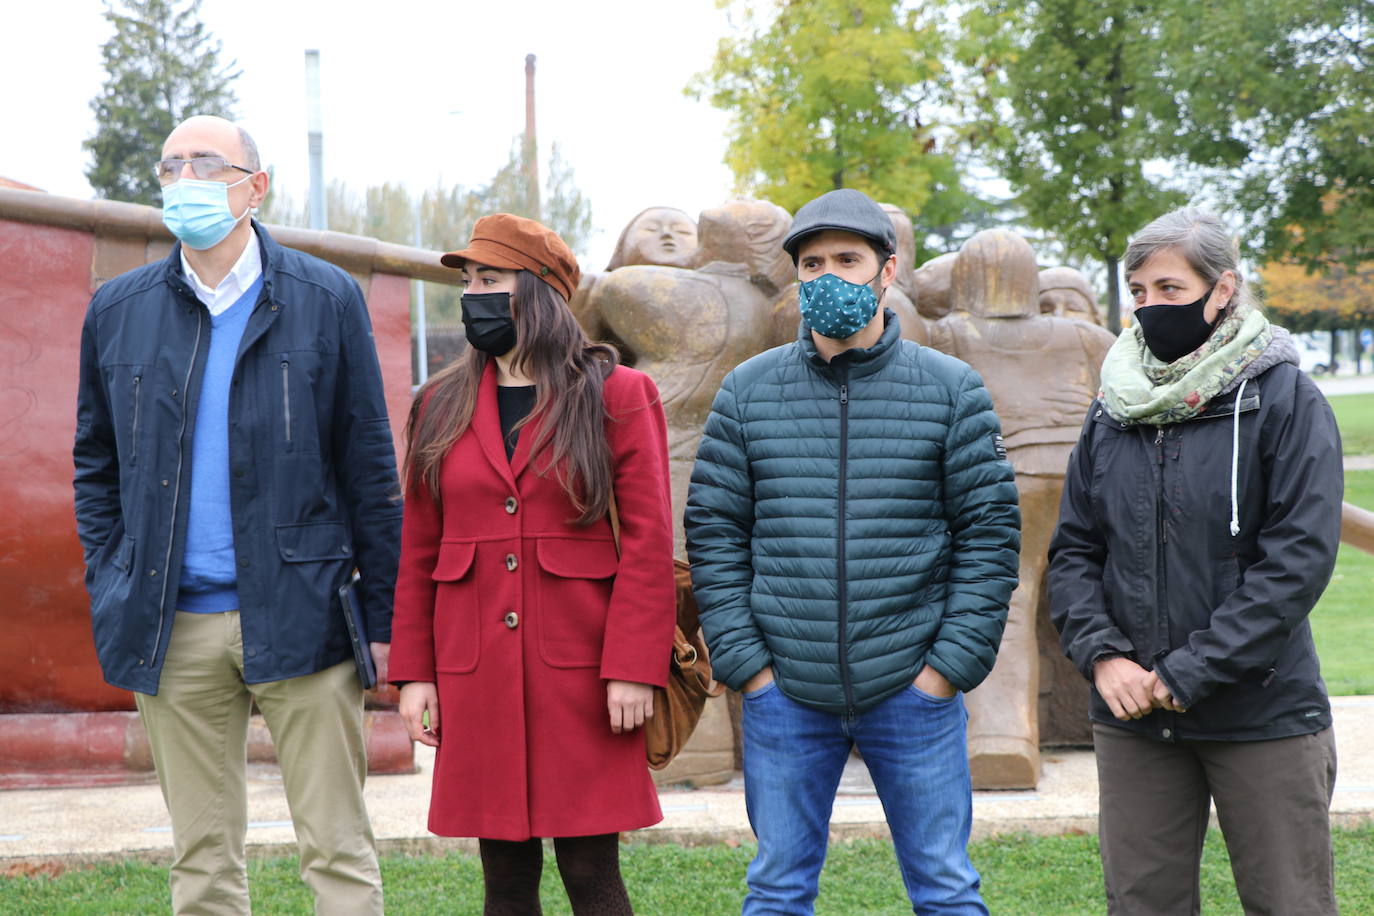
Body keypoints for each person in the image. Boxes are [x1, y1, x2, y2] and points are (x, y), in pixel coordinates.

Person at [72, 115, 400, 915]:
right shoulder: (117, 310)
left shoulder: (325, 299)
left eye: (206, 164)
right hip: (171, 621)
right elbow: (95, 463)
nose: (185, 180)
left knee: (338, 851)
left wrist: (385, 615)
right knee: (203, 864)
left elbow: (369, 466)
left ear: (256, 187)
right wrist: (115, 576)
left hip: (306, 612)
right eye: (170, 165)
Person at [685, 188, 1021, 915]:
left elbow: (989, 538)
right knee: (775, 891)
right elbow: (714, 532)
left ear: (887, 270)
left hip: (913, 690)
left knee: (946, 891)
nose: (829, 275)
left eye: (848, 259)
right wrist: (749, 669)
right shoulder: (747, 391)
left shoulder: (951, 389)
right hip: (785, 695)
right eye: (812, 263)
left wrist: (946, 670)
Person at [1048, 207, 1343, 915]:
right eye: (1138, 291)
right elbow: (1075, 552)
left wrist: (1191, 669)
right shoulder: (1110, 411)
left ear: (1223, 289)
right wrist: (1102, 656)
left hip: (1261, 711)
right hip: (1136, 718)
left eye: (1169, 289)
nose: (1150, 306)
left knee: (1289, 903)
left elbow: (1297, 559)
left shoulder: (1285, 400)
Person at [389, 213, 676, 915]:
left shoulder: (615, 395)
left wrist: (634, 667)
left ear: (542, 292)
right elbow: (419, 546)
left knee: (590, 870)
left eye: (491, 279)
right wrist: (414, 674)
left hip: (583, 671)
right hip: (476, 669)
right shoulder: (439, 404)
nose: (473, 294)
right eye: (467, 281)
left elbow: (647, 542)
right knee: (505, 878)